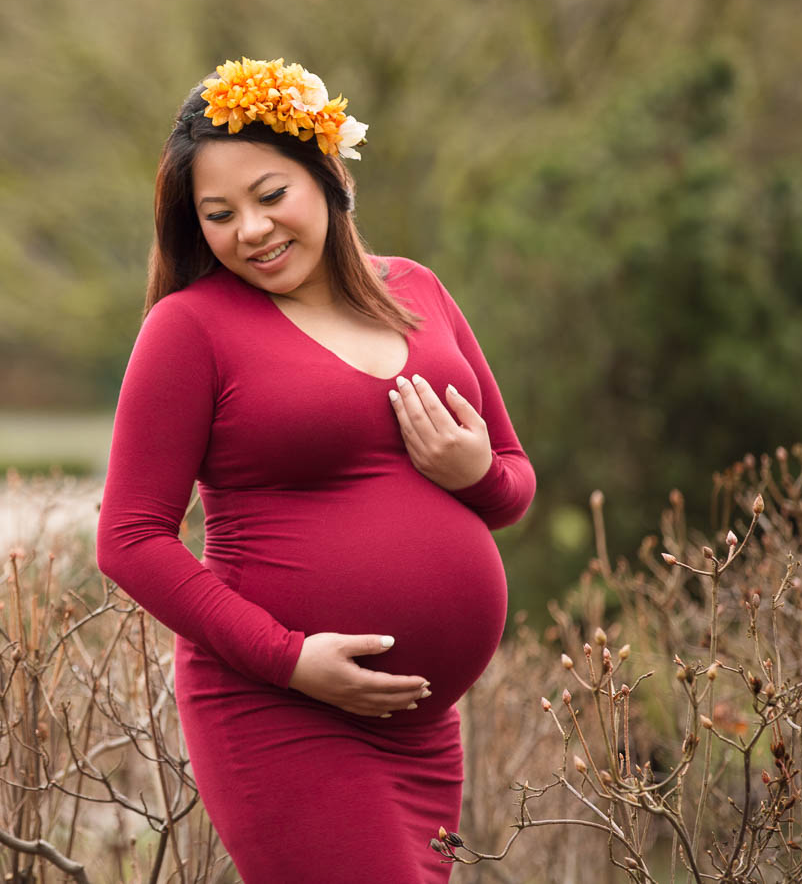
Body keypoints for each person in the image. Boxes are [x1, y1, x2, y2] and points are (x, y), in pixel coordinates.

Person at [94, 57, 536, 882]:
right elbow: (128, 538)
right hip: (280, 707)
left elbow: (512, 484)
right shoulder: (190, 329)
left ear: (327, 176)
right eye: (218, 214)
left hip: (421, 725)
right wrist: (289, 657)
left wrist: (471, 470)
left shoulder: (417, 291)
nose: (251, 231)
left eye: (271, 195)